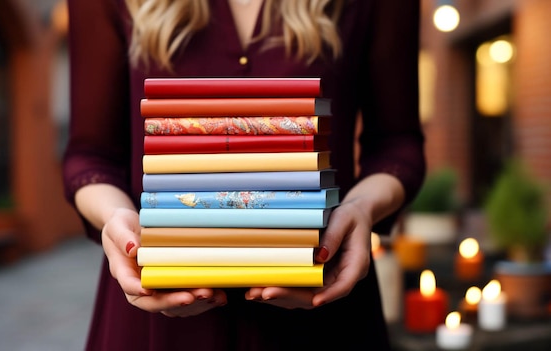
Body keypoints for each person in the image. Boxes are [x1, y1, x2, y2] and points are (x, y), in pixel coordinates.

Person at [63, 0, 426, 350]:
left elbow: (396, 145)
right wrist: (116, 219)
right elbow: (90, 156)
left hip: (323, 295)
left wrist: (361, 209)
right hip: (154, 308)